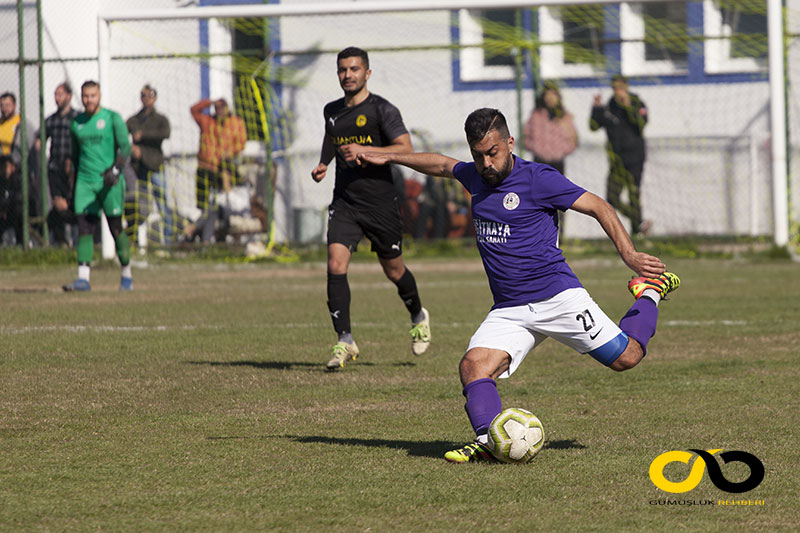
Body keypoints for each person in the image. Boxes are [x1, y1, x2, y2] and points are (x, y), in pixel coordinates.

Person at [356, 108, 680, 462]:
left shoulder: (539, 179)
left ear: (509, 143)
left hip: (558, 298)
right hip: (509, 309)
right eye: (478, 155)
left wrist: (630, 255)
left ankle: (650, 291)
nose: (486, 163)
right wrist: (386, 155)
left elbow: (598, 206)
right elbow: (440, 164)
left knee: (627, 357)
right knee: (473, 366)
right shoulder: (476, 175)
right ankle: (488, 442)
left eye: (493, 153)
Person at [311, 46, 431, 371]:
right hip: (345, 202)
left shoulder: (382, 110)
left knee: (394, 270)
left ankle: (418, 314)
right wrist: (324, 162)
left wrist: (367, 150)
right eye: (342, 70)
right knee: (336, 264)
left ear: (367, 73)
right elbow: (331, 135)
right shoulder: (331, 110)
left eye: (354, 69)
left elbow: (405, 148)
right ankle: (344, 340)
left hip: (380, 204)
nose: (347, 75)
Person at [62, 81, 133, 292]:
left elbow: (125, 148)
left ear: (99, 95)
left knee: (115, 227)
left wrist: (116, 170)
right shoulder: (76, 124)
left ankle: (126, 273)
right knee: (84, 227)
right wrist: (72, 183)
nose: (88, 100)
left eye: (92, 95)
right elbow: (75, 156)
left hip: (109, 183)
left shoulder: (112, 118)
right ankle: (83, 279)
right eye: (85, 96)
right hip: (85, 182)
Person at [590, 75, 651, 236]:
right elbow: (594, 126)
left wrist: (629, 107)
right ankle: (639, 222)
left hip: (635, 159)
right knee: (612, 198)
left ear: (626, 88)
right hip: (616, 161)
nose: (618, 91)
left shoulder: (637, 103)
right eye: (615, 88)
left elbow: (641, 125)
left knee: (634, 195)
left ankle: (636, 233)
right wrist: (596, 108)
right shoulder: (609, 106)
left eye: (621, 88)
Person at [190, 96, 246, 243]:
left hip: (222, 171)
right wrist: (209, 102)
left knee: (219, 205)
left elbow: (241, 143)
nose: (220, 111)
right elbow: (193, 110)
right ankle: (201, 237)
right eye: (217, 108)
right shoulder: (207, 121)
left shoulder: (236, 123)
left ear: (228, 109)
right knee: (204, 206)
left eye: (222, 108)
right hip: (205, 168)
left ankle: (209, 236)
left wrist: (230, 152)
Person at [126, 84, 172, 242]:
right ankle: (135, 241)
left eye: (150, 95)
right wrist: (131, 147)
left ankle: (168, 243)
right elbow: (120, 135)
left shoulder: (160, 119)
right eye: (144, 95)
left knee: (163, 206)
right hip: (139, 170)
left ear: (155, 97)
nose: (147, 98)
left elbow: (165, 133)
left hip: (156, 165)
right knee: (141, 207)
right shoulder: (134, 119)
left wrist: (142, 135)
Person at [36, 82, 79, 246]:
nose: (57, 98)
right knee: (59, 204)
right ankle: (61, 242)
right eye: (55, 94)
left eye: (60, 94)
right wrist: (39, 143)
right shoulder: (51, 120)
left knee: (74, 203)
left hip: (73, 169)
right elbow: (40, 138)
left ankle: (79, 239)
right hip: (55, 169)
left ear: (69, 96)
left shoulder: (77, 117)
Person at [523, 80, 578, 176]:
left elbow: (572, 138)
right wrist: (535, 147)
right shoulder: (536, 115)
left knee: (558, 189)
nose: (550, 98)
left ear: (558, 97)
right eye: (547, 95)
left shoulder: (564, 117)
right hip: (539, 162)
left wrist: (561, 151)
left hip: (557, 163)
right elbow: (526, 134)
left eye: (553, 95)